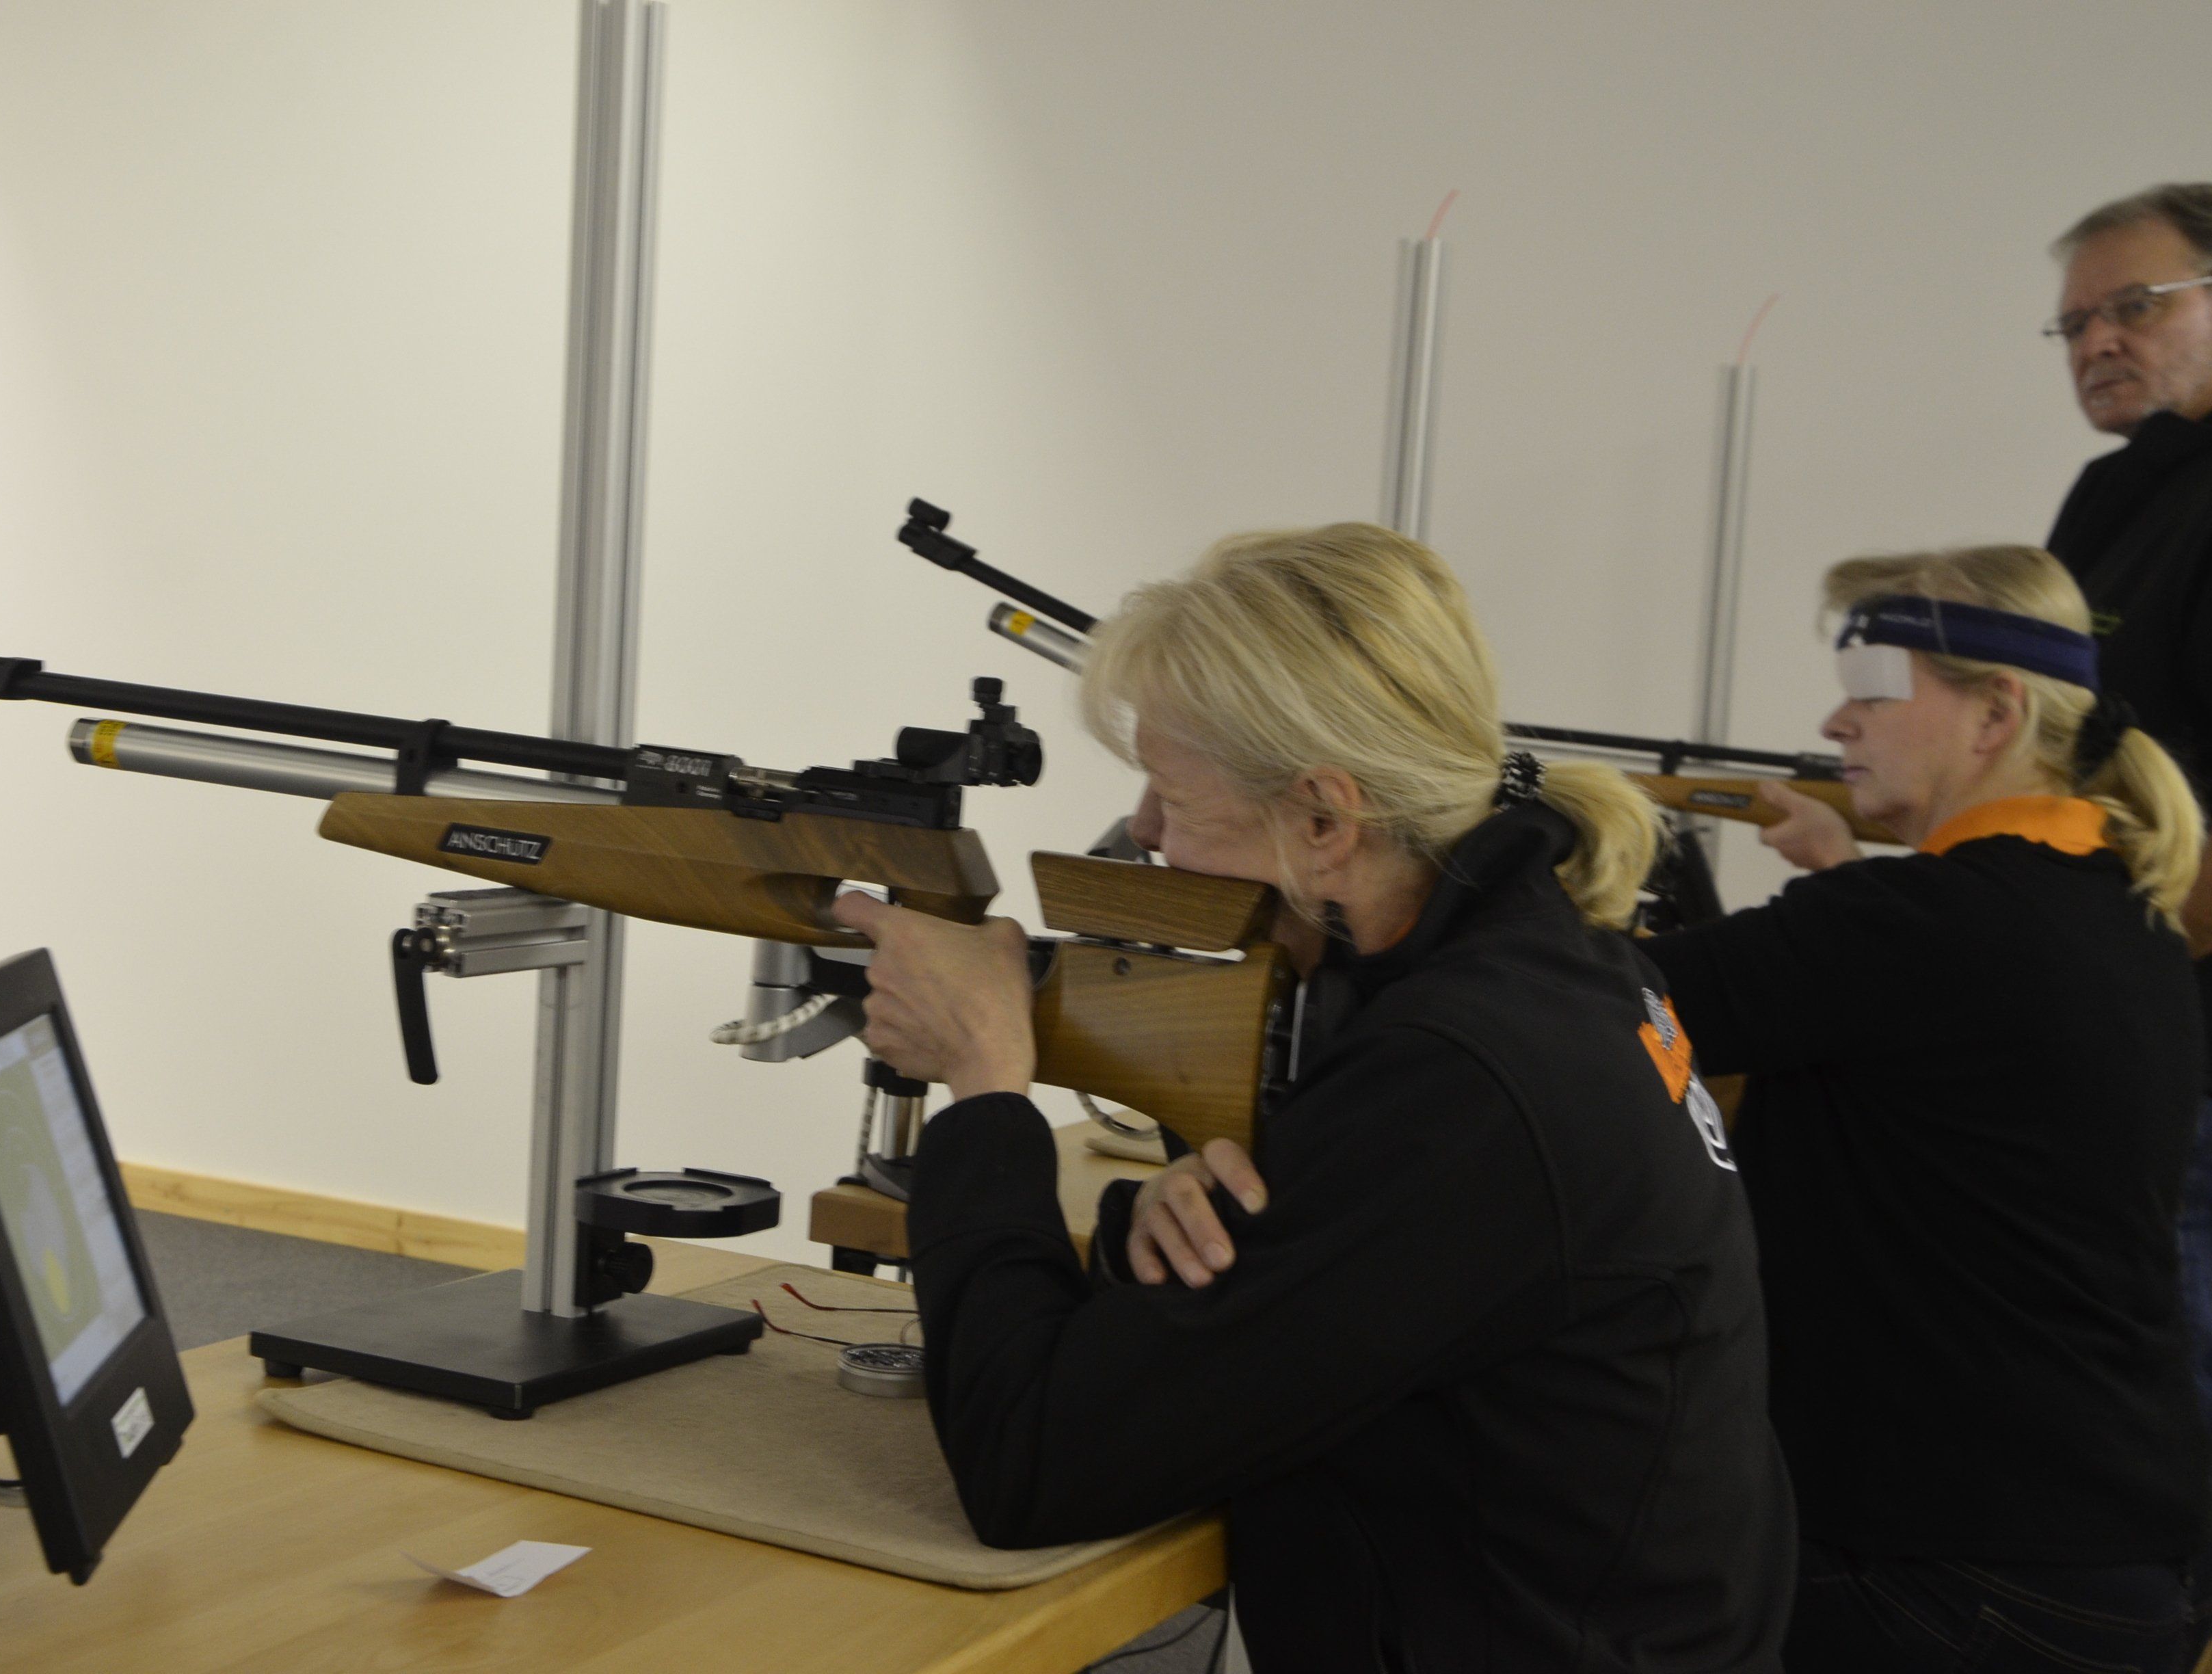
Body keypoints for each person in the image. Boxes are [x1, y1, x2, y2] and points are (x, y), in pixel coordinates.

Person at [832, 524, 1795, 1673]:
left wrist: (984, 1083)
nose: (1146, 832)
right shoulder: (1549, 977)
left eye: (1171, 794)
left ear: (1326, 825)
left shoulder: (1462, 1077)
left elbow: (1027, 1464)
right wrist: (1162, 1221)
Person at [1651, 546, 2208, 1670]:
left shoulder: (1921, 922)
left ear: (1996, 712)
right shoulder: (2120, 909)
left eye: (1873, 691)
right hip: (2103, 1554)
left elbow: (1587, 1005)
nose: (1836, 721)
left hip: (1951, 1574)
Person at [2042, 183, 2212, 1445]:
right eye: (2075, 324)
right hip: (2110, 1010)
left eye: (2136, 307)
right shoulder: (2113, 497)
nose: (2099, 341)